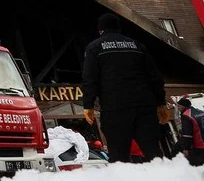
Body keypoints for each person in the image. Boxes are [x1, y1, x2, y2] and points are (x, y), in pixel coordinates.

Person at [81, 13, 171, 163]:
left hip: (115, 107)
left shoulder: (95, 47)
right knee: (153, 151)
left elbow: (90, 79)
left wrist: (88, 104)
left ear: (100, 30)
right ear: (119, 28)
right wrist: (161, 102)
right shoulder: (138, 46)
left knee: (118, 155)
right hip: (145, 106)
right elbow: (155, 77)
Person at [177, 98, 204, 166]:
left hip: (198, 146)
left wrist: (186, 148)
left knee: (196, 169)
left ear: (184, 106)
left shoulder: (186, 115)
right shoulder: (201, 112)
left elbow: (187, 134)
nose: (178, 108)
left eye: (179, 106)